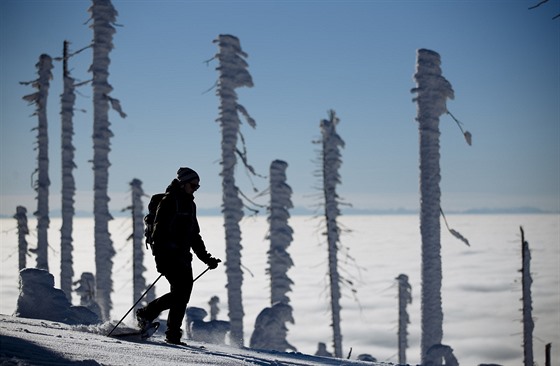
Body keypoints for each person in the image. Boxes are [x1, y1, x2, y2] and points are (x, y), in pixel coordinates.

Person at [136, 167, 221, 345]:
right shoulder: (169, 201)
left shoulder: (189, 204)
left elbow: (194, 235)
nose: (195, 189)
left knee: (182, 294)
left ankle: (172, 334)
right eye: (193, 185)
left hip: (183, 257)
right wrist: (165, 255)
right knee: (180, 294)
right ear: (182, 183)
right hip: (168, 256)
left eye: (197, 186)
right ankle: (148, 315)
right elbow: (159, 233)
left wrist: (207, 258)